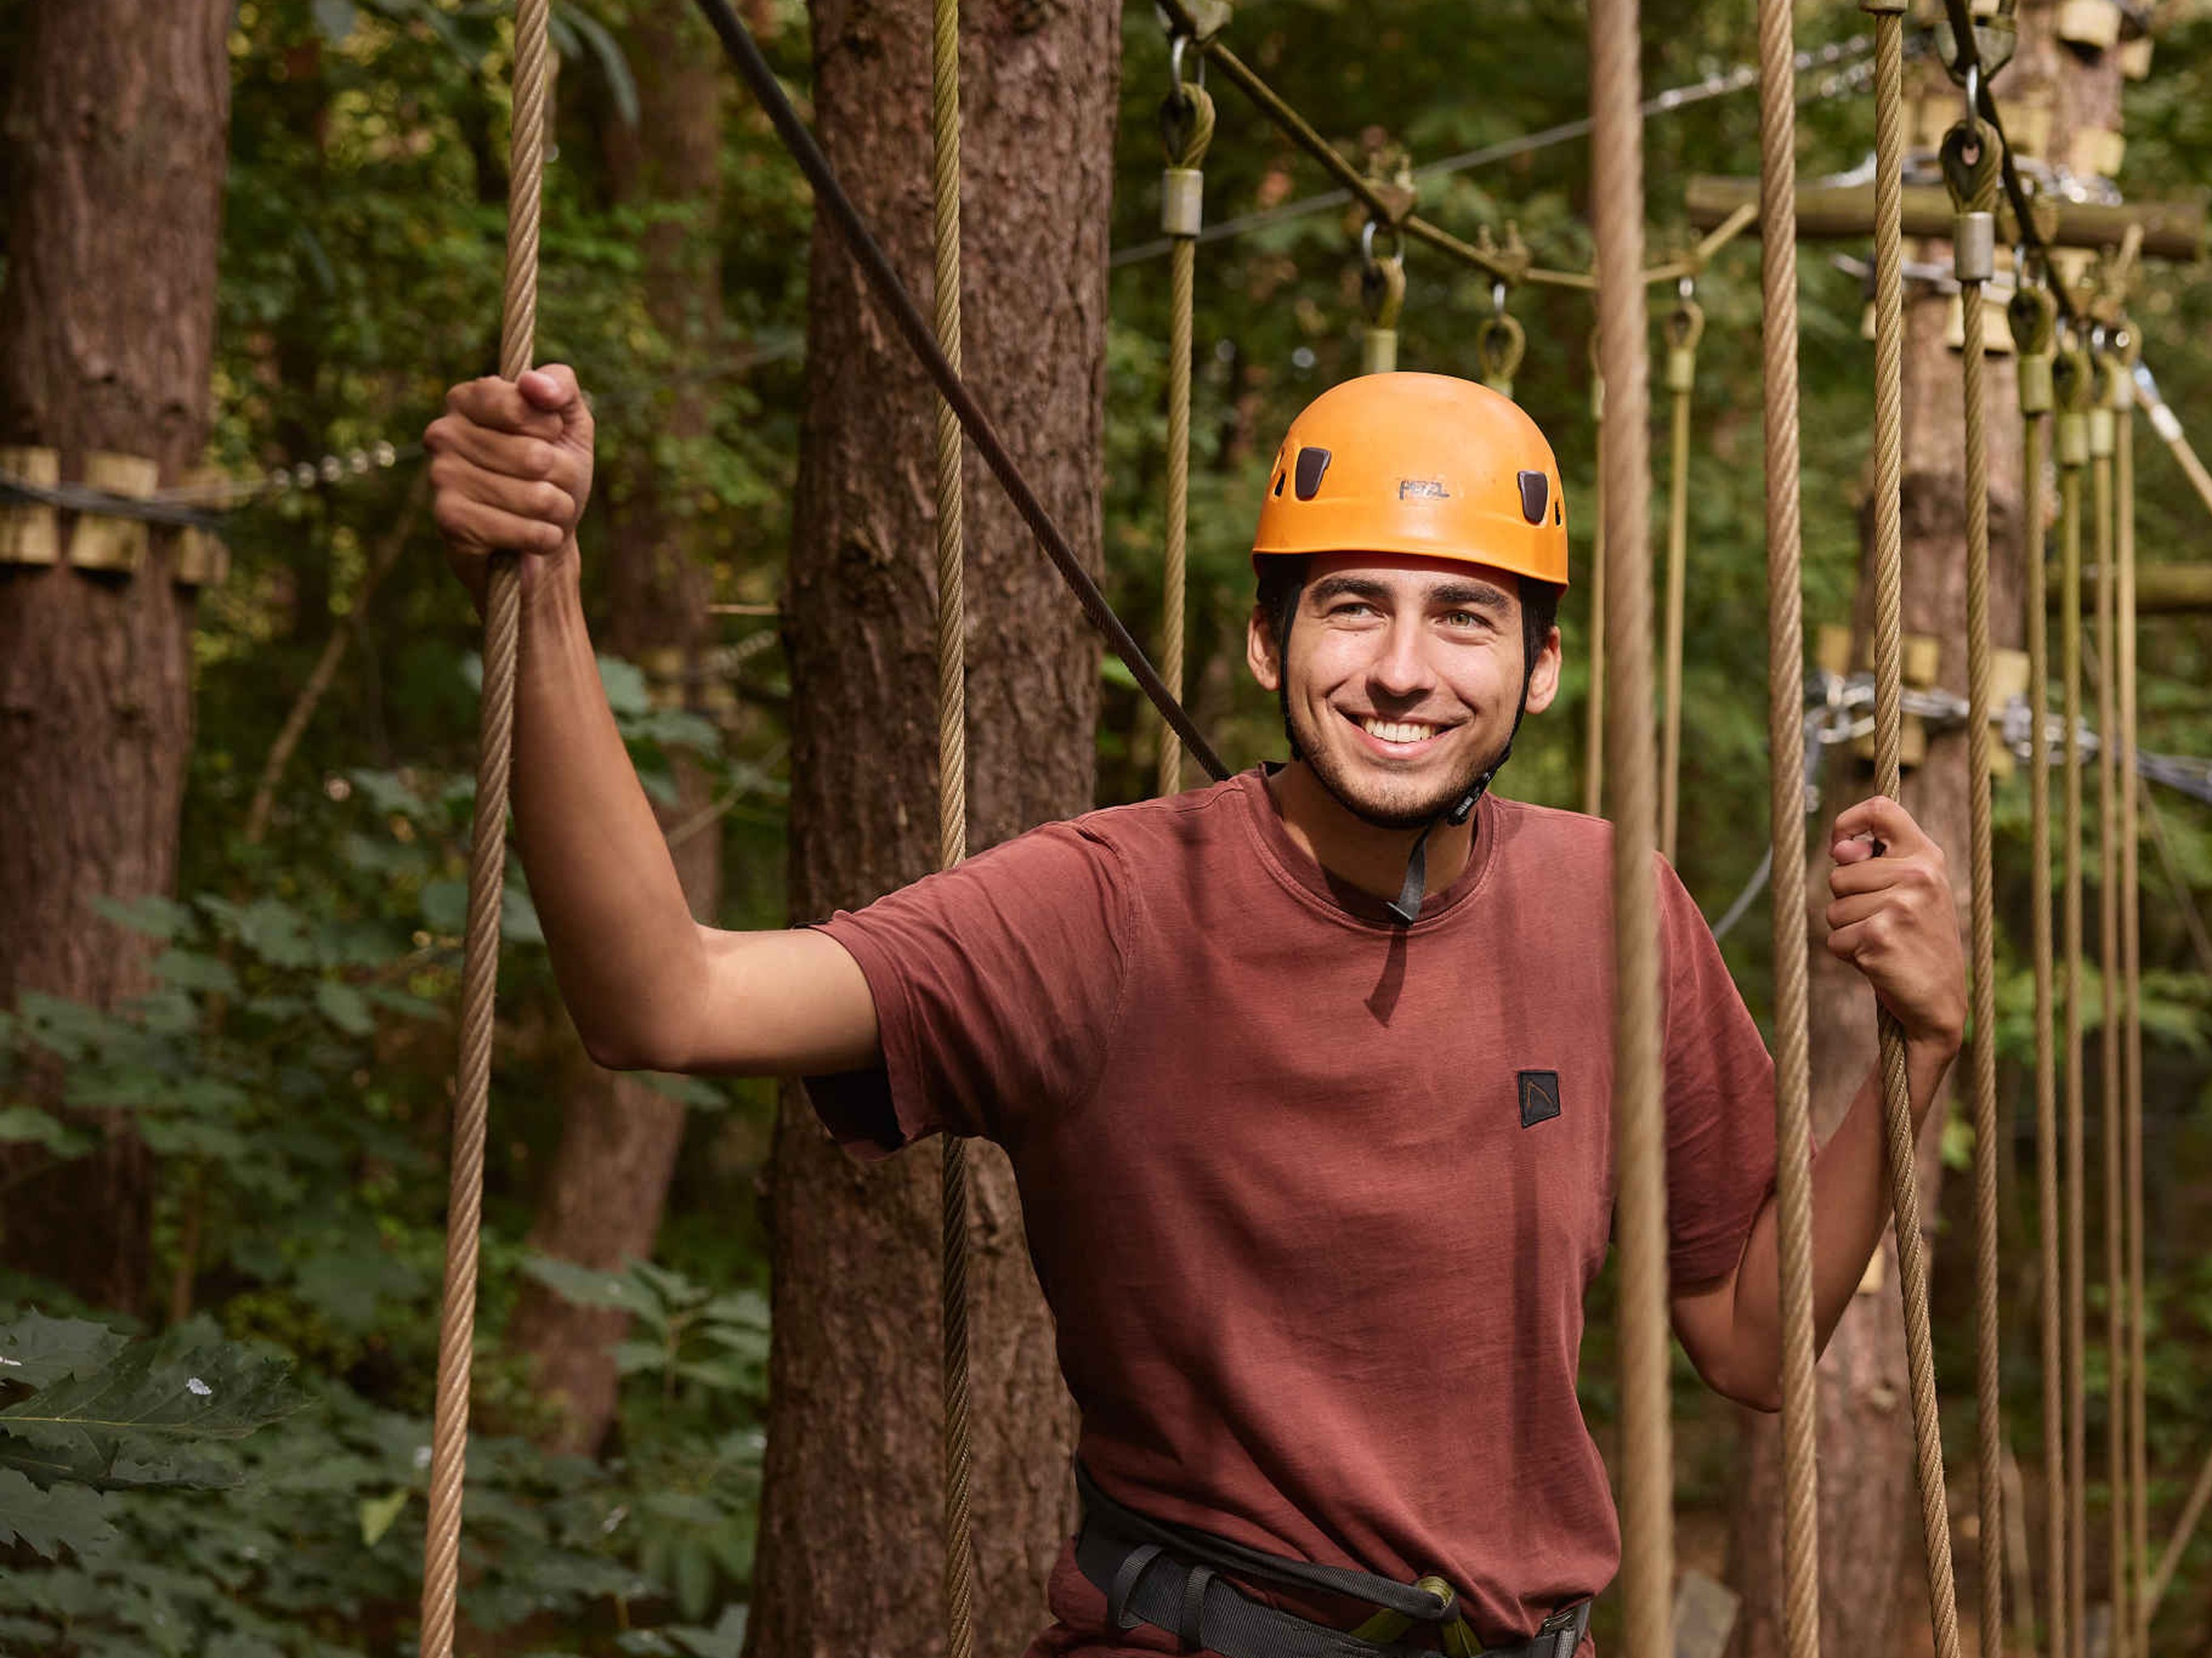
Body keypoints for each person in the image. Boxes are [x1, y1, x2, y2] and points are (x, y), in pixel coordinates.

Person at [425, 365, 1967, 1657]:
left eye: (1466, 618)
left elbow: (1759, 1343)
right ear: (1266, 641)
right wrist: (543, 591)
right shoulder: (1109, 912)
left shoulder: (1611, 905)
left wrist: (1925, 1047)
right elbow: (665, 999)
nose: (1404, 670)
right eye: (1352, 608)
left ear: (1543, 667)